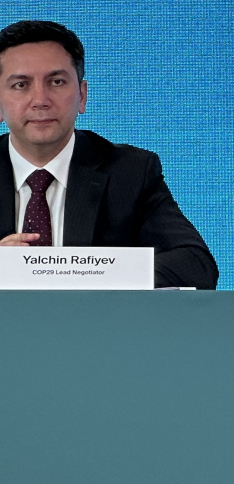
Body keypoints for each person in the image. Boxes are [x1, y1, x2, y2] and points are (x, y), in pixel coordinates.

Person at [0, 20, 218, 289]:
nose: (40, 99)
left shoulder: (130, 172)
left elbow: (196, 266)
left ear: (82, 96)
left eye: (56, 82)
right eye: (21, 85)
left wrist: (86, 274)